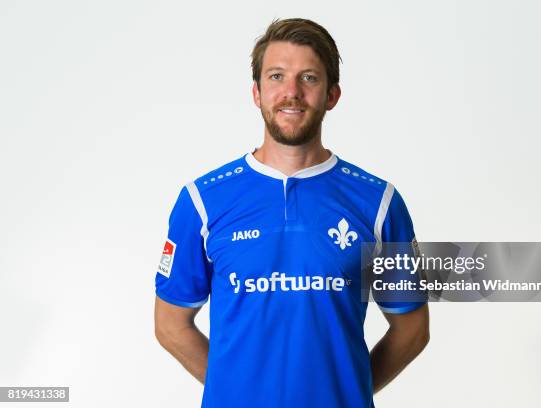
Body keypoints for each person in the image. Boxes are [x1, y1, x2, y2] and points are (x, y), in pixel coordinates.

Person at [154, 17, 429, 408]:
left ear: (332, 95)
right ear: (257, 92)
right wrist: (233, 390)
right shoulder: (201, 200)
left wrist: (348, 392)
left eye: (309, 78)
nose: (291, 93)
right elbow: (170, 324)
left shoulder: (379, 202)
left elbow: (412, 329)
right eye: (277, 76)